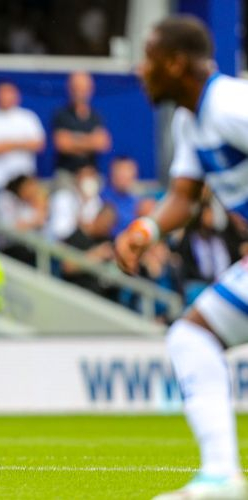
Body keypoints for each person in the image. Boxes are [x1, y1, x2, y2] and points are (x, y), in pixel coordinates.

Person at [115, 16, 248, 499]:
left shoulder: (231, 104)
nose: (140, 69)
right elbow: (185, 195)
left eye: (148, 59)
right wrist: (146, 230)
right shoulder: (190, 118)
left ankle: (221, 476)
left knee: (193, 337)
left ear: (174, 63)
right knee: (192, 337)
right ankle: (220, 477)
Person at [0, 81, 45, 202]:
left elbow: (39, 145)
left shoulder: (28, 117)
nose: (5, 97)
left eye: (9, 93)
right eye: (2, 93)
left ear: (17, 95)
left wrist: (6, 144)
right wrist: (22, 143)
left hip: (24, 182)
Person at [51, 71, 112, 176]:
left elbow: (102, 144)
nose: (79, 93)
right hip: (66, 173)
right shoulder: (61, 115)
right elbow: (62, 144)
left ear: (90, 90)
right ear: (69, 89)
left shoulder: (96, 117)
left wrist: (74, 141)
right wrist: (90, 141)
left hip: (90, 173)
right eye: (75, 88)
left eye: (83, 89)